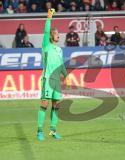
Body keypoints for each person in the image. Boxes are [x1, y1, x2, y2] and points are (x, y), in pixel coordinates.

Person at [37, 9, 68, 141]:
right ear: (51, 36)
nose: (58, 36)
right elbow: (45, 31)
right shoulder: (46, 46)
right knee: (44, 104)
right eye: (56, 34)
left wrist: (66, 74)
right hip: (48, 79)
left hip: (57, 81)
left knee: (57, 105)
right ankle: (39, 131)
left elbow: (61, 64)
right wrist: (49, 18)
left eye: (58, 34)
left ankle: (53, 130)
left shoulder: (60, 50)